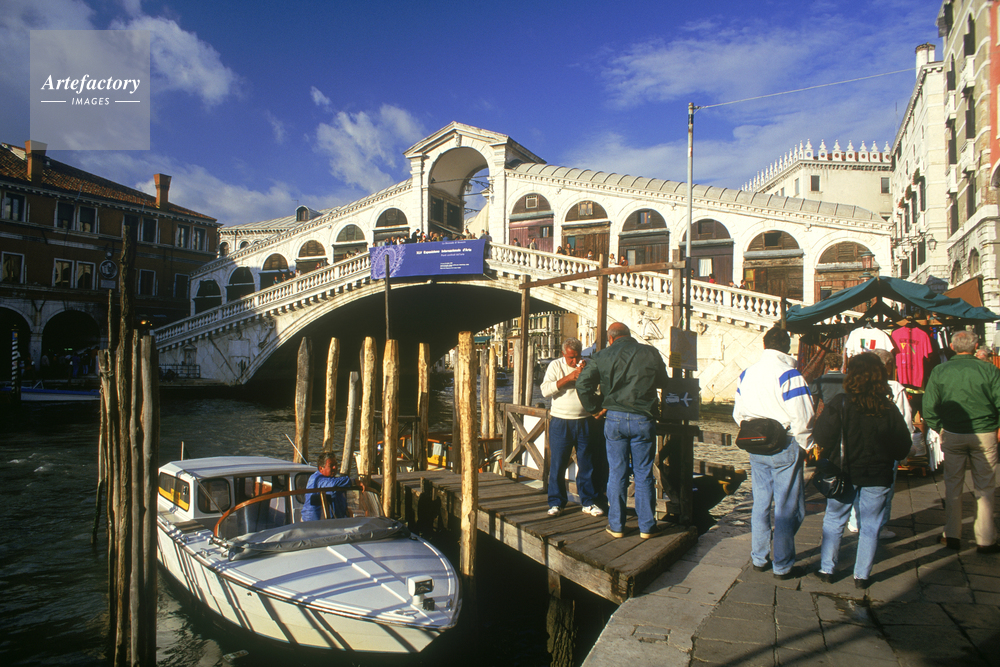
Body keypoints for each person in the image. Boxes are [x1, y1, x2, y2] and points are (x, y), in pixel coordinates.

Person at [814, 353, 912, 587]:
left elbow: (822, 436)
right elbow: (902, 446)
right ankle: (862, 575)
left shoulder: (841, 403)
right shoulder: (887, 407)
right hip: (878, 474)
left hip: (844, 472)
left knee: (835, 519)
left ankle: (827, 569)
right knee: (871, 525)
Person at [732, 326, 814, 579]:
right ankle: (782, 563)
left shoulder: (747, 374)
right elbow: (804, 416)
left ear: (765, 345)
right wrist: (806, 445)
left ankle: (759, 557)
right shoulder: (790, 375)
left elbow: (738, 414)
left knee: (760, 503)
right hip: (784, 444)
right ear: (787, 348)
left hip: (756, 445)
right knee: (789, 508)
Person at [577, 322, 668, 539]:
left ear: (610, 338)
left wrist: (595, 407)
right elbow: (663, 382)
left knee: (617, 472)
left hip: (615, 419)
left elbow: (582, 384)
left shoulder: (601, 356)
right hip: (643, 418)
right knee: (643, 473)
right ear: (629, 335)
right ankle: (647, 526)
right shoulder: (650, 353)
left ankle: (617, 525)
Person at [923, 330, 1000, 553]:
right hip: (984, 432)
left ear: (952, 347)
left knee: (953, 484)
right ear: (975, 346)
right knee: (985, 486)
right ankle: (985, 538)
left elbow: (929, 406)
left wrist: (939, 426)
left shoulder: (940, 370)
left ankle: (952, 534)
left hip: (953, 432)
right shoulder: (989, 370)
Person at [540, 338, 603, 517]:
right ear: (563, 354)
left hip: (585, 421)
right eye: (571, 357)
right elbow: (545, 391)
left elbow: (600, 390)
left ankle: (588, 502)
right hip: (561, 421)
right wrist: (569, 377)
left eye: (577, 357)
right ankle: (556, 502)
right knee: (558, 464)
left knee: (587, 464)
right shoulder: (555, 365)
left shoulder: (589, 365)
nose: (575, 361)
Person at [301, 453, 353, 521]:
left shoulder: (332, 480)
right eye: (331, 465)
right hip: (313, 523)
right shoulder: (317, 479)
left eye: (336, 464)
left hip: (331, 521)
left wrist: (346, 511)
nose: (335, 467)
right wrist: (353, 481)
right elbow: (333, 484)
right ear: (321, 468)